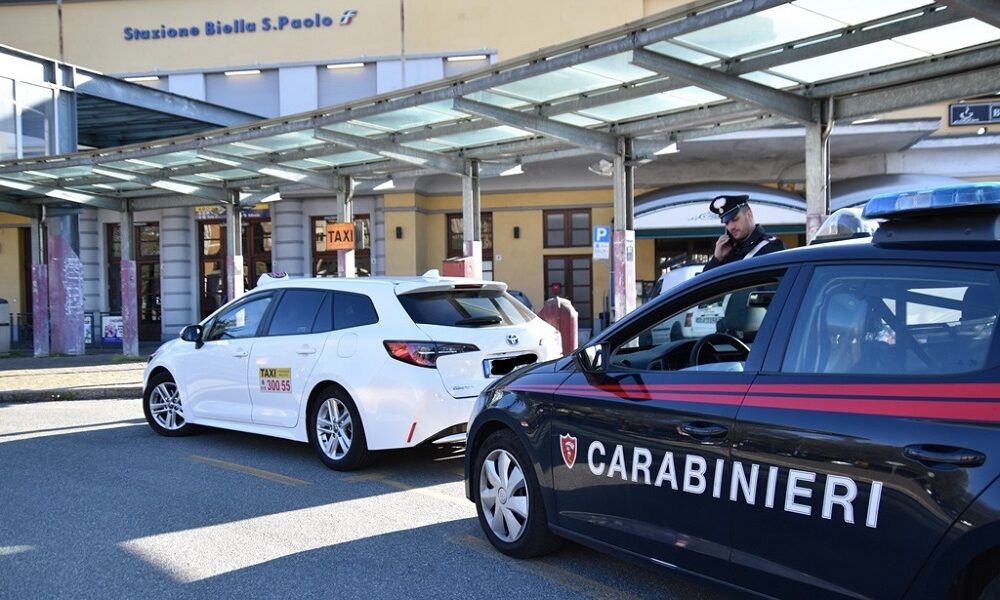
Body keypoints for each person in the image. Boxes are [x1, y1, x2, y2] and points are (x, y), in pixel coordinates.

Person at [704, 194, 785, 271]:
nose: (731, 227)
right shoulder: (728, 252)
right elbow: (705, 283)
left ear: (749, 215)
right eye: (727, 223)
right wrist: (717, 259)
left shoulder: (771, 247)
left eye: (735, 219)